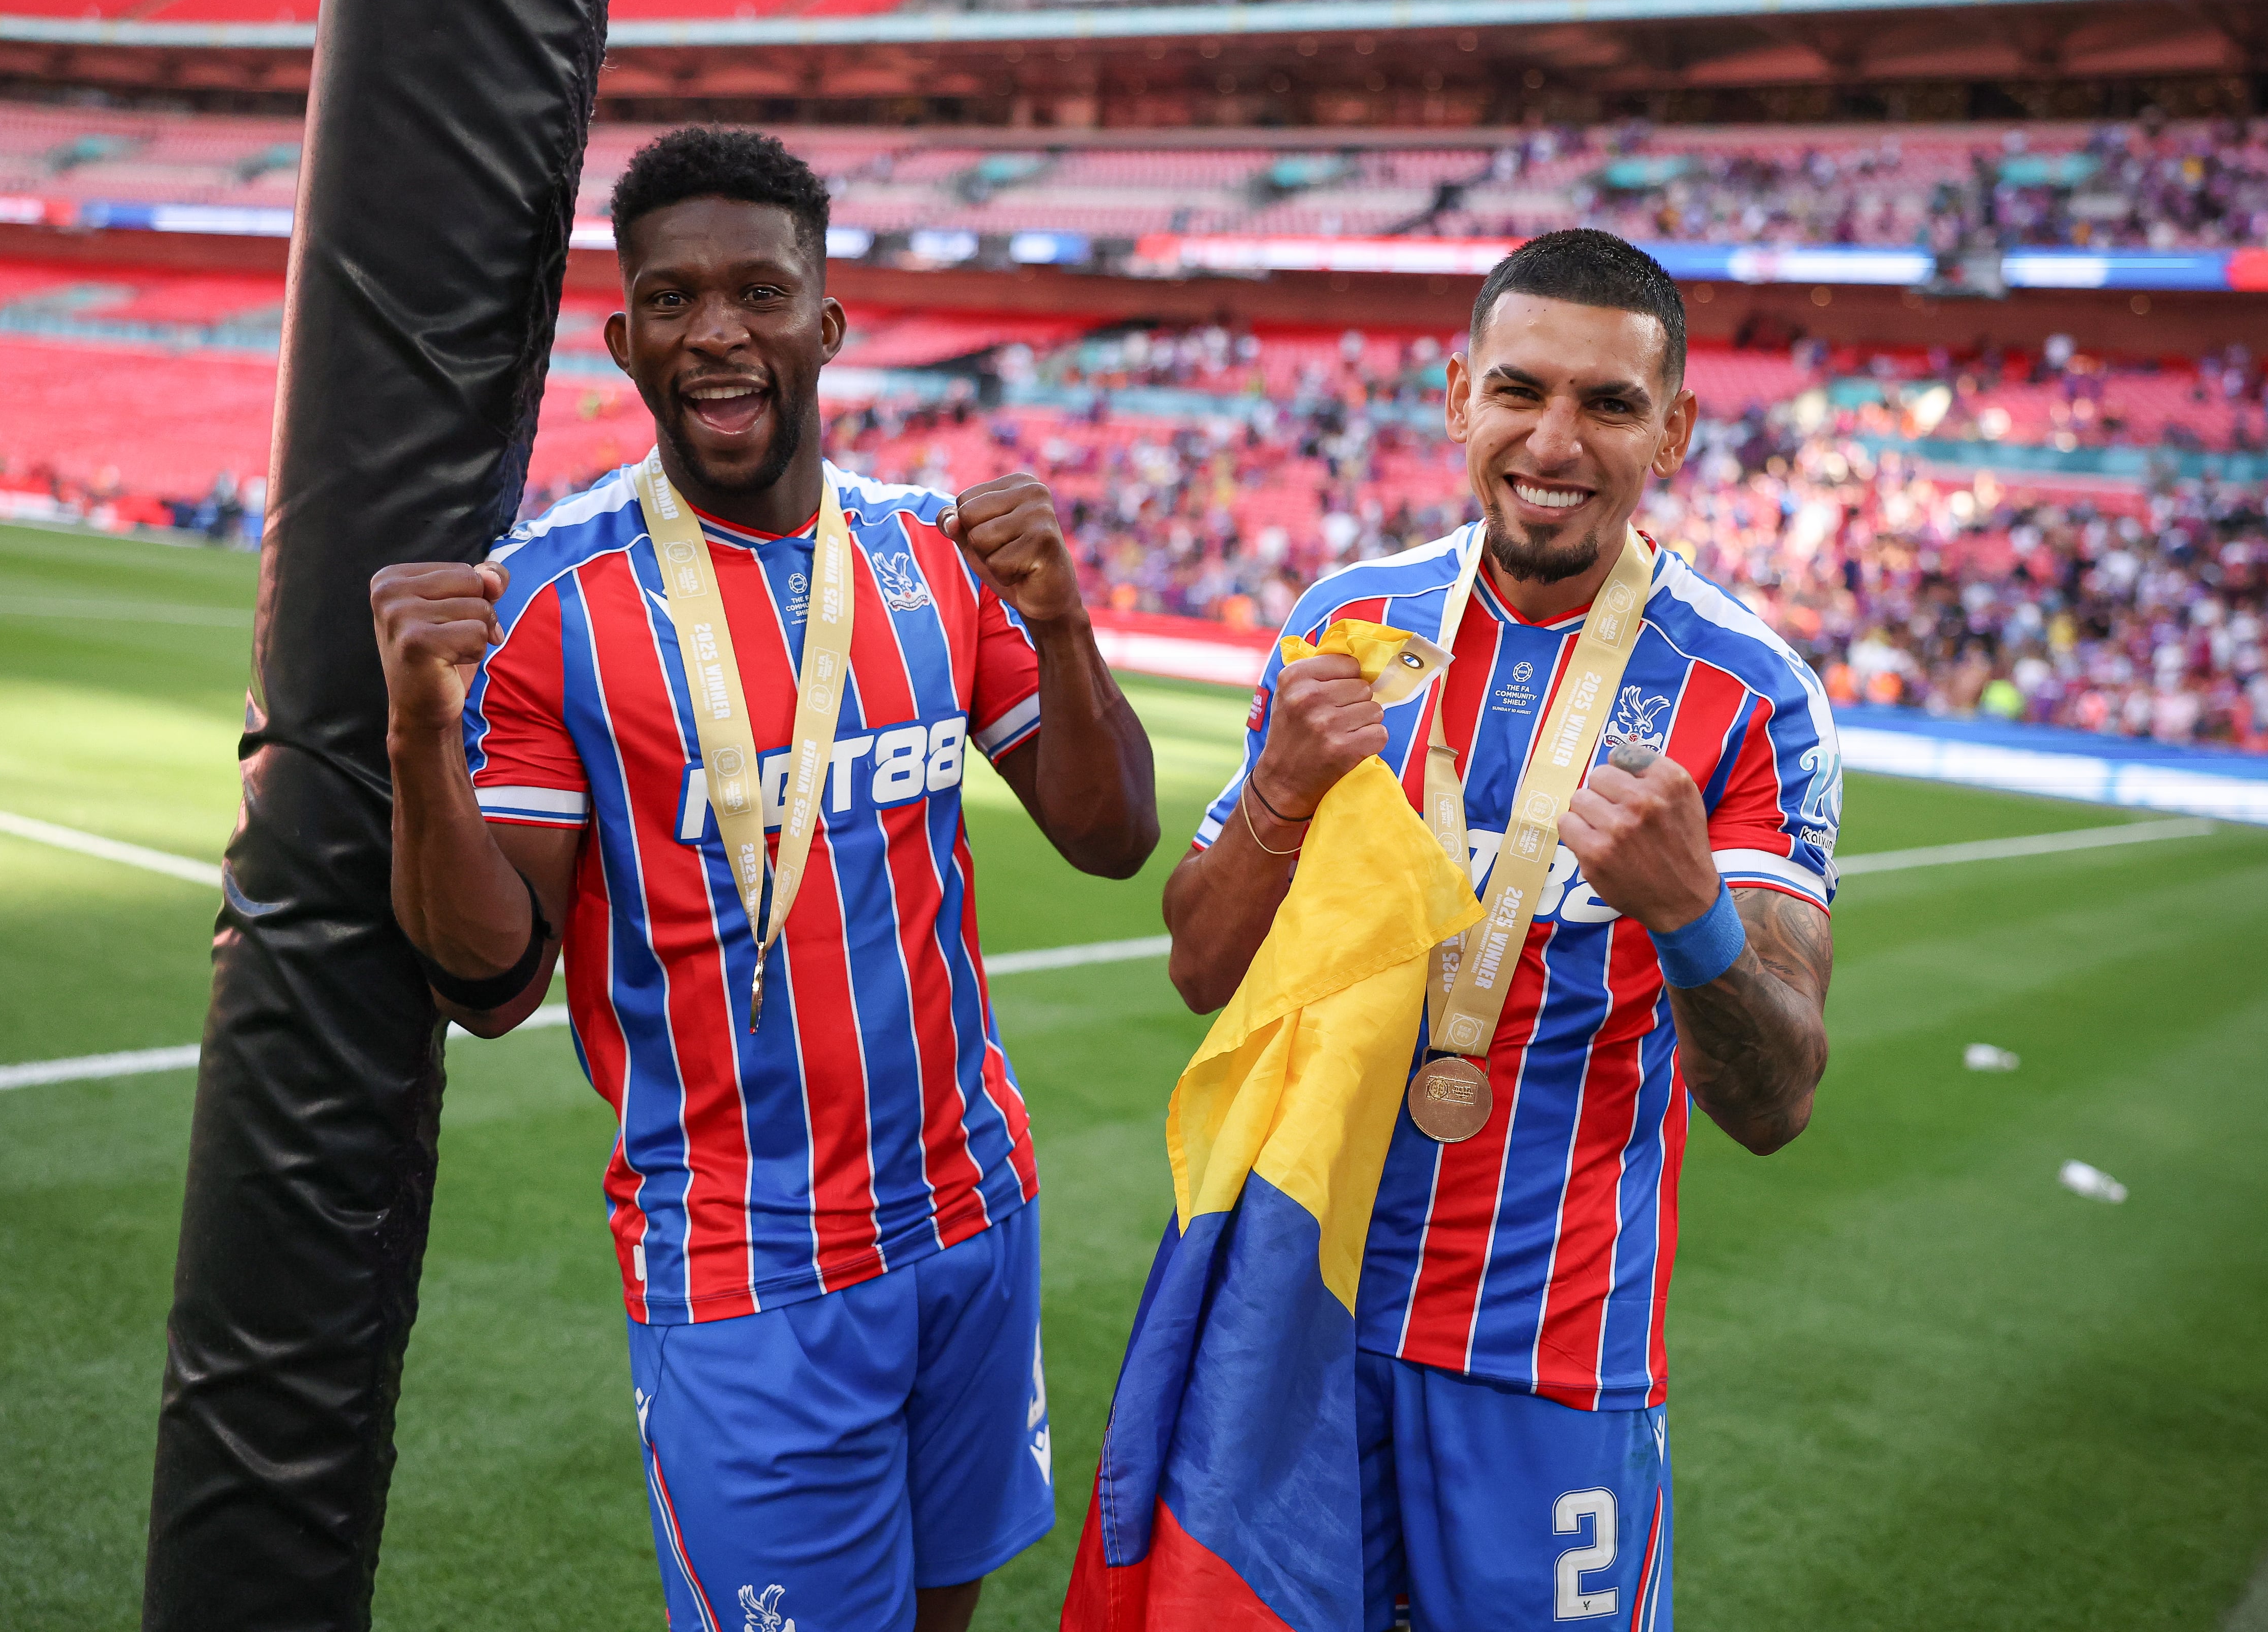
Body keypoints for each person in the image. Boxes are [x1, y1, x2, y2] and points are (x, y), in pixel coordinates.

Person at [368, 126, 1159, 1632]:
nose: (716, 331)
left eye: (757, 292)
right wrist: (418, 735)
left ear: (827, 322)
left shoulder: (931, 557)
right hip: (747, 1266)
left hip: (973, 1215)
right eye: (671, 300)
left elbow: (1109, 832)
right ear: (622, 338)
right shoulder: (553, 601)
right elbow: (486, 981)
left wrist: (1061, 624)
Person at [1161, 229, 1840, 1631]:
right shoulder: (1348, 623)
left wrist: (1693, 913)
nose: (1556, 439)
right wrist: (1282, 794)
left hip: (1552, 1344)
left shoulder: (1752, 694)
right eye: (1521, 390)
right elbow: (1200, 965)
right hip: (1305, 1309)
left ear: (1677, 430)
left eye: (1610, 403)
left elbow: (1777, 1098)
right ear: (1456, 393)